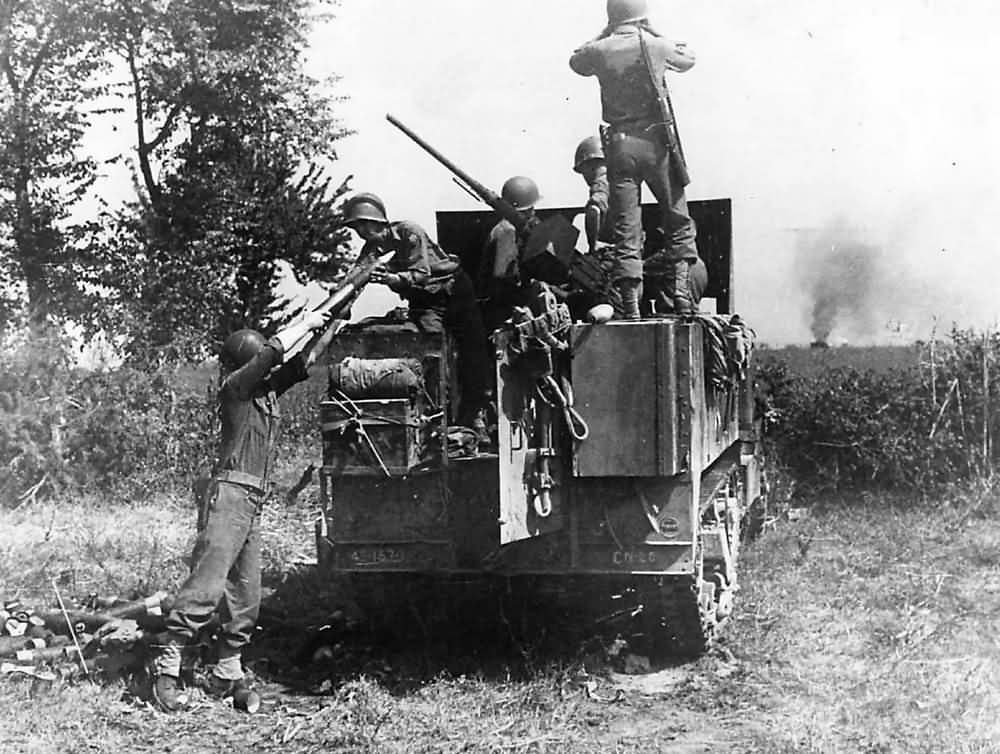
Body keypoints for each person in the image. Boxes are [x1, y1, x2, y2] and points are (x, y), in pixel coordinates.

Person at [153, 312, 334, 712]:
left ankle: (227, 672)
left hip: (252, 500)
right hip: (230, 494)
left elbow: (303, 364)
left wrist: (335, 321)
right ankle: (167, 666)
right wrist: (307, 319)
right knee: (208, 583)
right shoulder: (236, 389)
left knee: (247, 593)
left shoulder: (264, 394)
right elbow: (275, 353)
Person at [570, 0, 704, 318]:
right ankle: (683, 295)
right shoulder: (655, 45)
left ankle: (630, 305)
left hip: (618, 147)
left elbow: (576, 60)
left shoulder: (600, 50)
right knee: (678, 221)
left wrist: (605, 33)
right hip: (655, 143)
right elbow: (689, 60)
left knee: (626, 229)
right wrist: (653, 31)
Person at [342, 192, 491, 428]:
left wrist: (391, 278)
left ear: (377, 221)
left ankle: (476, 416)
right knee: (429, 355)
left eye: (363, 224)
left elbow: (421, 275)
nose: (360, 231)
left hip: (455, 292)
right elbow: (355, 277)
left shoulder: (410, 232)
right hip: (426, 302)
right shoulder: (372, 249)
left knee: (472, 354)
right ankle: (434, 419)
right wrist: (341, 305)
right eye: (356, 227)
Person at [476, 176, 541, 332]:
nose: (534, 211)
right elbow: (506, 278)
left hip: (504, 305)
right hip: (504, 310)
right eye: (530, 208)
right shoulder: (507, 231)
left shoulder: (510, 228)